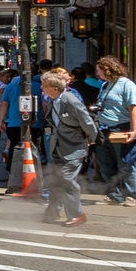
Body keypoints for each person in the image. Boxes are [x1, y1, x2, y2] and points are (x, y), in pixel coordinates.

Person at [41, 68, 95, 228]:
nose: (42, 88)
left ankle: (77, 214)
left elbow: (87, 121)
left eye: (44, 85)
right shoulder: (53, 100)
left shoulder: (69, 100)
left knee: (67, 180)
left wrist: (92, 138)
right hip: (59, 146)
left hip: (73, 148)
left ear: (55, 88)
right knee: (56, 180)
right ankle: (52, 212)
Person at [92, 58, 136, 207]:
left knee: (125, 163)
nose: (97, 73)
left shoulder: (127, 85)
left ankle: (130, 195)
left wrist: (134, 130)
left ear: (107, 69)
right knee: (106, 163)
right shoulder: (105, 85)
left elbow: (133, 108)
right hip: (104, 129)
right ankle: (114, 194)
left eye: (99, 70)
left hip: (121, 128)